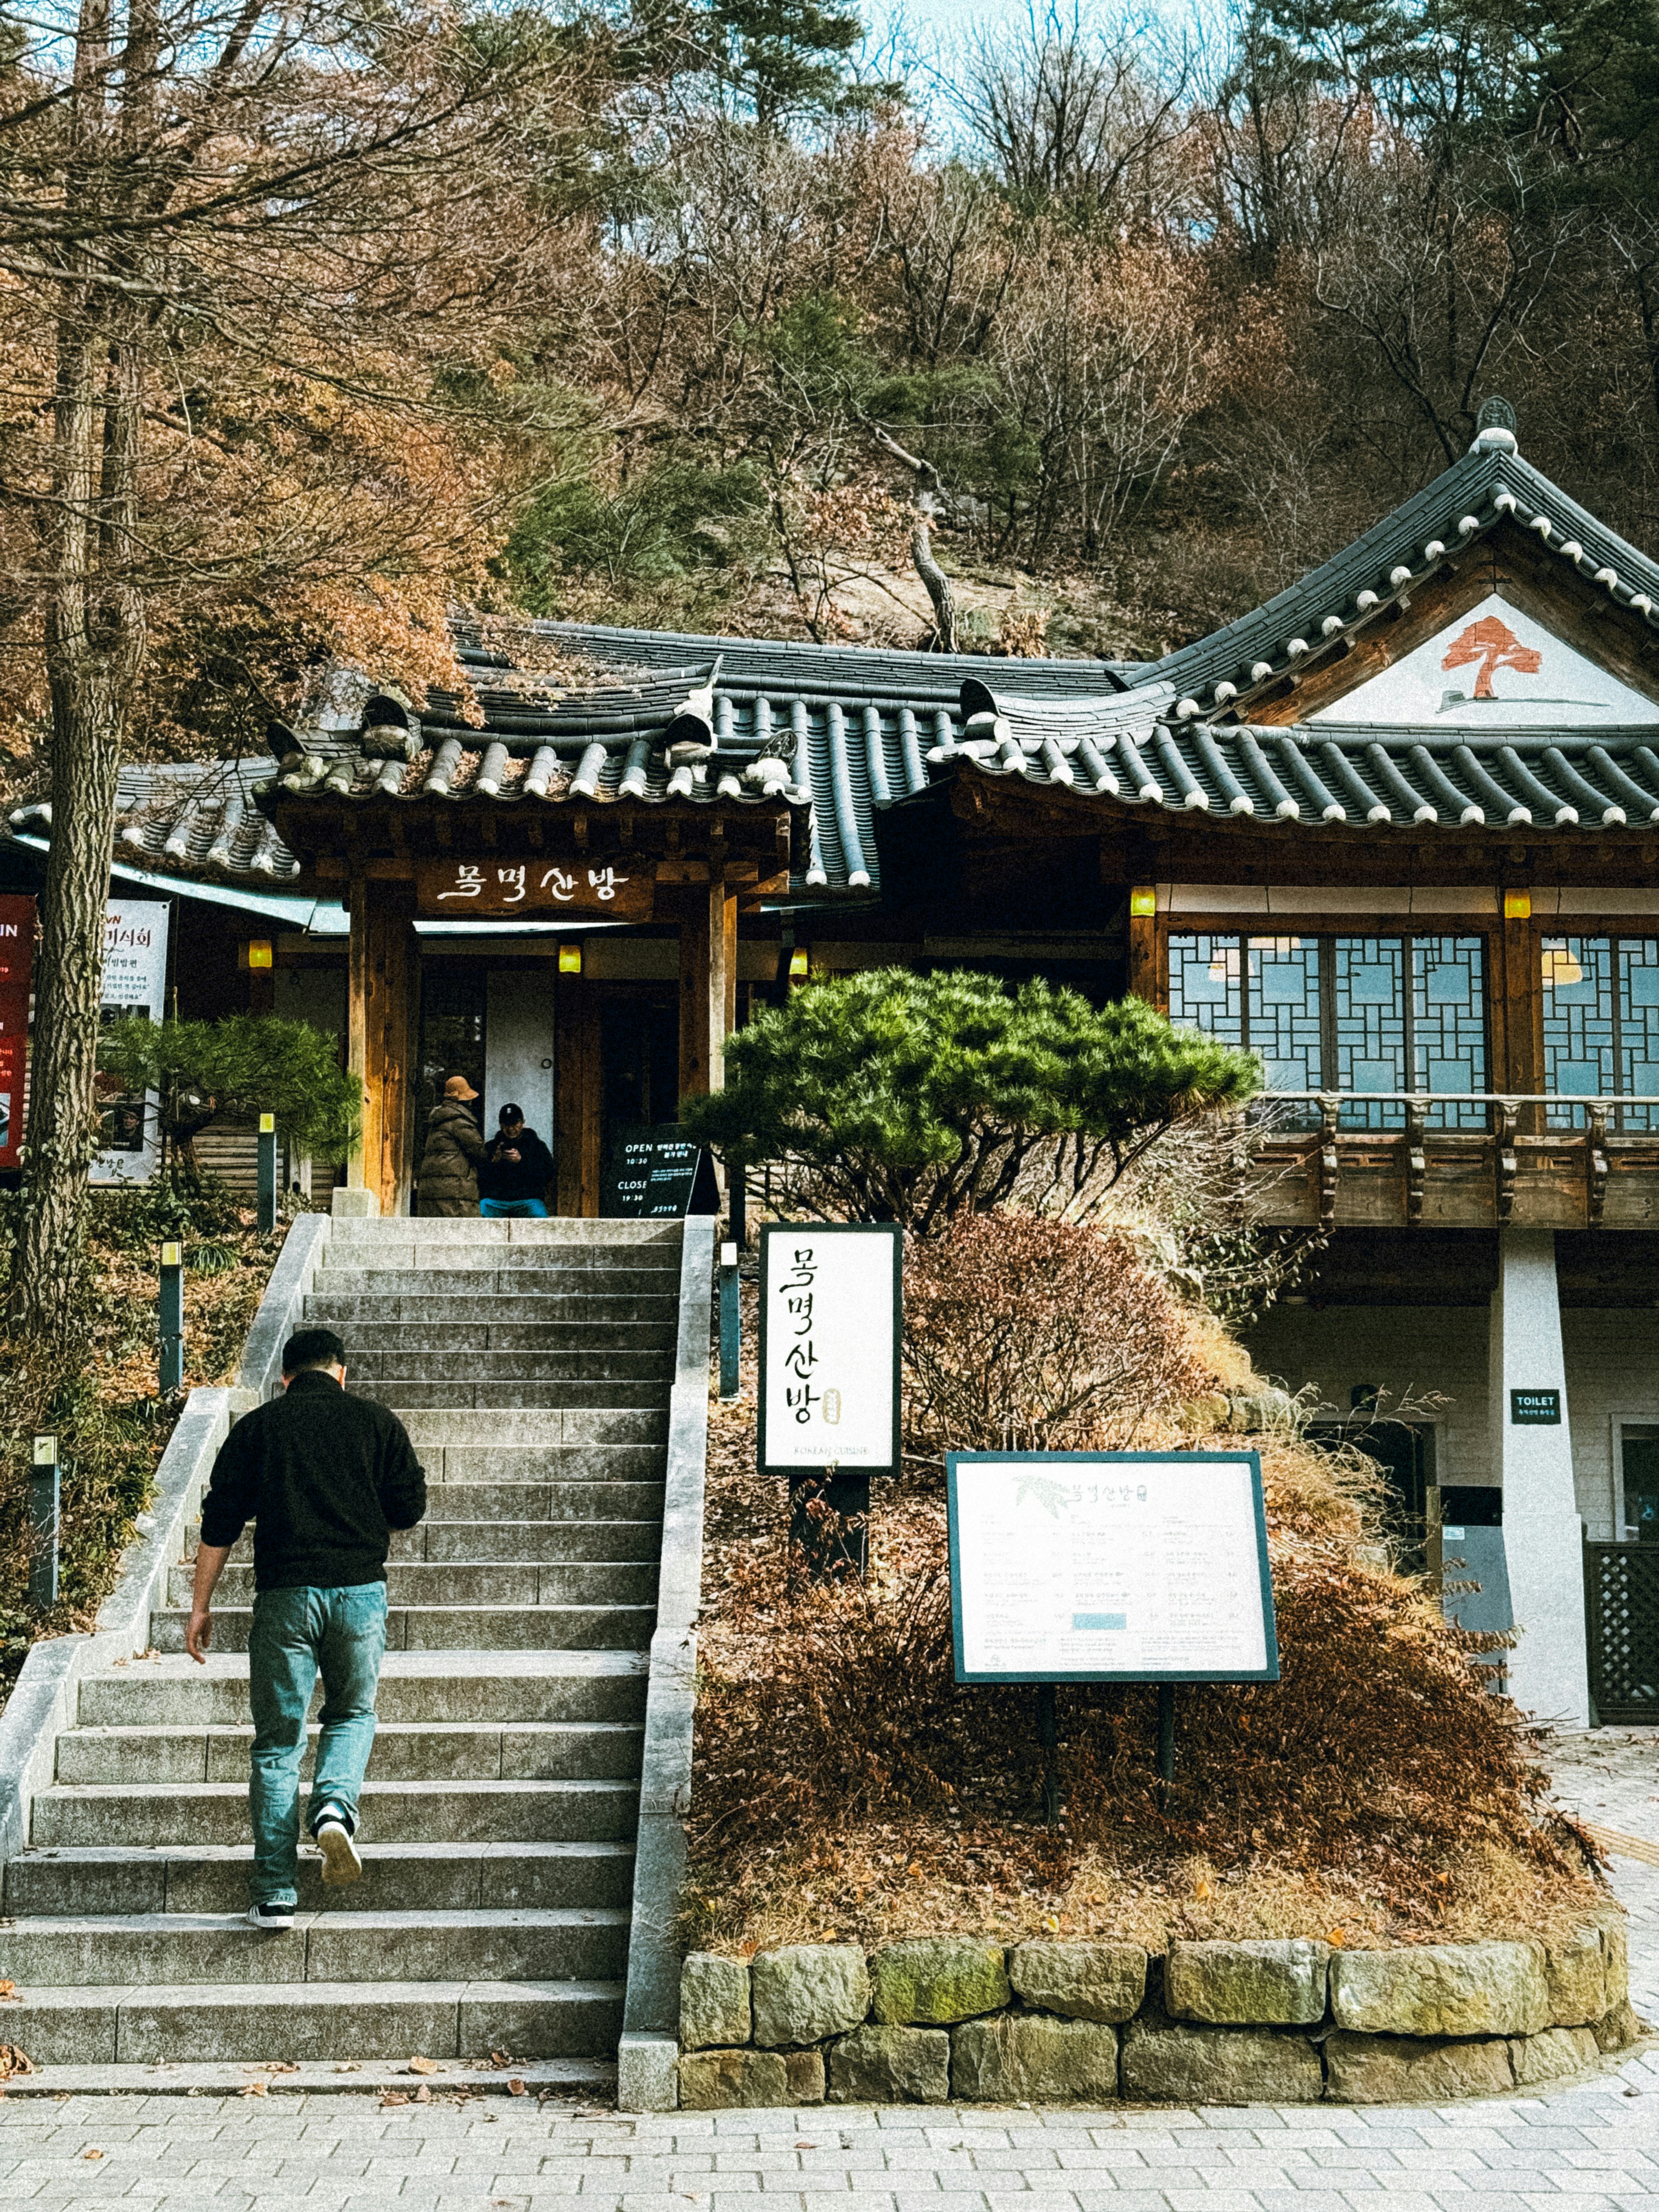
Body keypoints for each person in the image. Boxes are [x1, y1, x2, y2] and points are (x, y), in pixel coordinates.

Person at [187, 1326, 426, 1929]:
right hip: (359, 1595)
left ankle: (274, 1894)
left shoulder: (260, 1428)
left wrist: (200, 1606)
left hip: (285, 1599)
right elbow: (408, 1509)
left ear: (285, 1378)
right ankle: (334, 1811)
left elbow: (220, 1521)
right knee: (351, 1713)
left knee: (276, 1744)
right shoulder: (377, 1423)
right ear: (342, 1373)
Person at [417, 1072, 485, 1215]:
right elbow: (479, 1152)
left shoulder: (436, 1121)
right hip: (456, 1193)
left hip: (435, 1192)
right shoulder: (460, 1122)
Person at [478, 1103, 555, 1218]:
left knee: (540, 1217)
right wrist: (493, 1163)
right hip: (496, 1202)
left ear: (522, 1123)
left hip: (528, 1200)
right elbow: (480, 1178)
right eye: (506, 1125)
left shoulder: (536, 1145)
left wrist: (522, 1162)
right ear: (500, 1125)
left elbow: (550, 1173)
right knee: (481, 1210)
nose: (511, 1129)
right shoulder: (491, 1147)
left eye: (515, 1124)